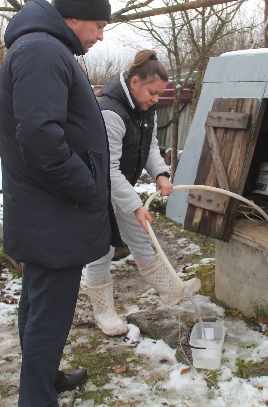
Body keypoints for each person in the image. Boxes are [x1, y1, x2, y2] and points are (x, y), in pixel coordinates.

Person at [0, 0, 118, 406]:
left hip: (47, 210)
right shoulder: (43, 50)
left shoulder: (43, 47)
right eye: (99, 25)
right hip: (56, 212)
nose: (100, 35)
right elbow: (40, 138)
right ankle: (37, 396)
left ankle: (44, 378)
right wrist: (87, 187)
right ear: (76, 16)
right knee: (49, 314)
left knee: (38, 302)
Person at [85, 50, 201, 336]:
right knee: (102, 250)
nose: (155, 99)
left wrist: (161, 173)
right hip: (97, 189)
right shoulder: (111, 112)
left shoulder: (143, 109)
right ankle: (104, 312)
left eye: (159, 94)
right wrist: (136, 204)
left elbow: (149, 147)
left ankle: (170, 290)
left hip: (120, 185)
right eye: (152, 92)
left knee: (141, 234)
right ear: (134, 81)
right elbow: (107, 169)